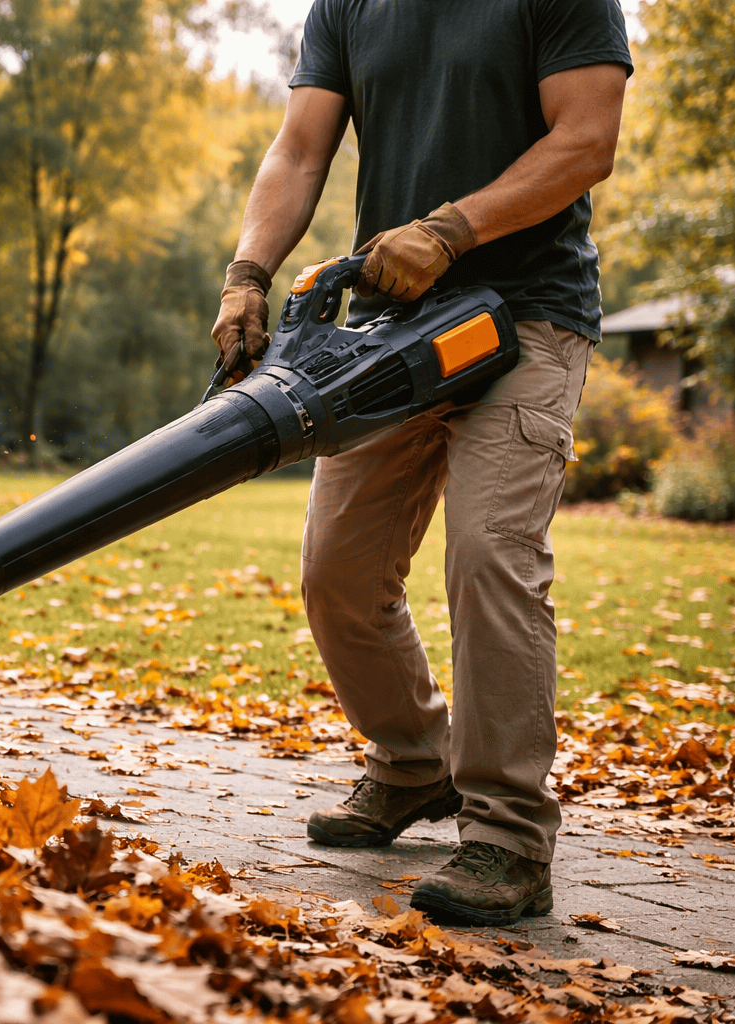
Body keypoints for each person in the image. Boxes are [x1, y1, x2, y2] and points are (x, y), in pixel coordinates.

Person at [210, 0, 631, 926]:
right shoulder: (349, 4)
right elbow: (299, 150)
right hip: (395, 333)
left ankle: (510, 837)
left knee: (490, 555)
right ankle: (411, 764)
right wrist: (248, 272)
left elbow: (586, 138)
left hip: (527, 316)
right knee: (339, 574)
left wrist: (448, 230)